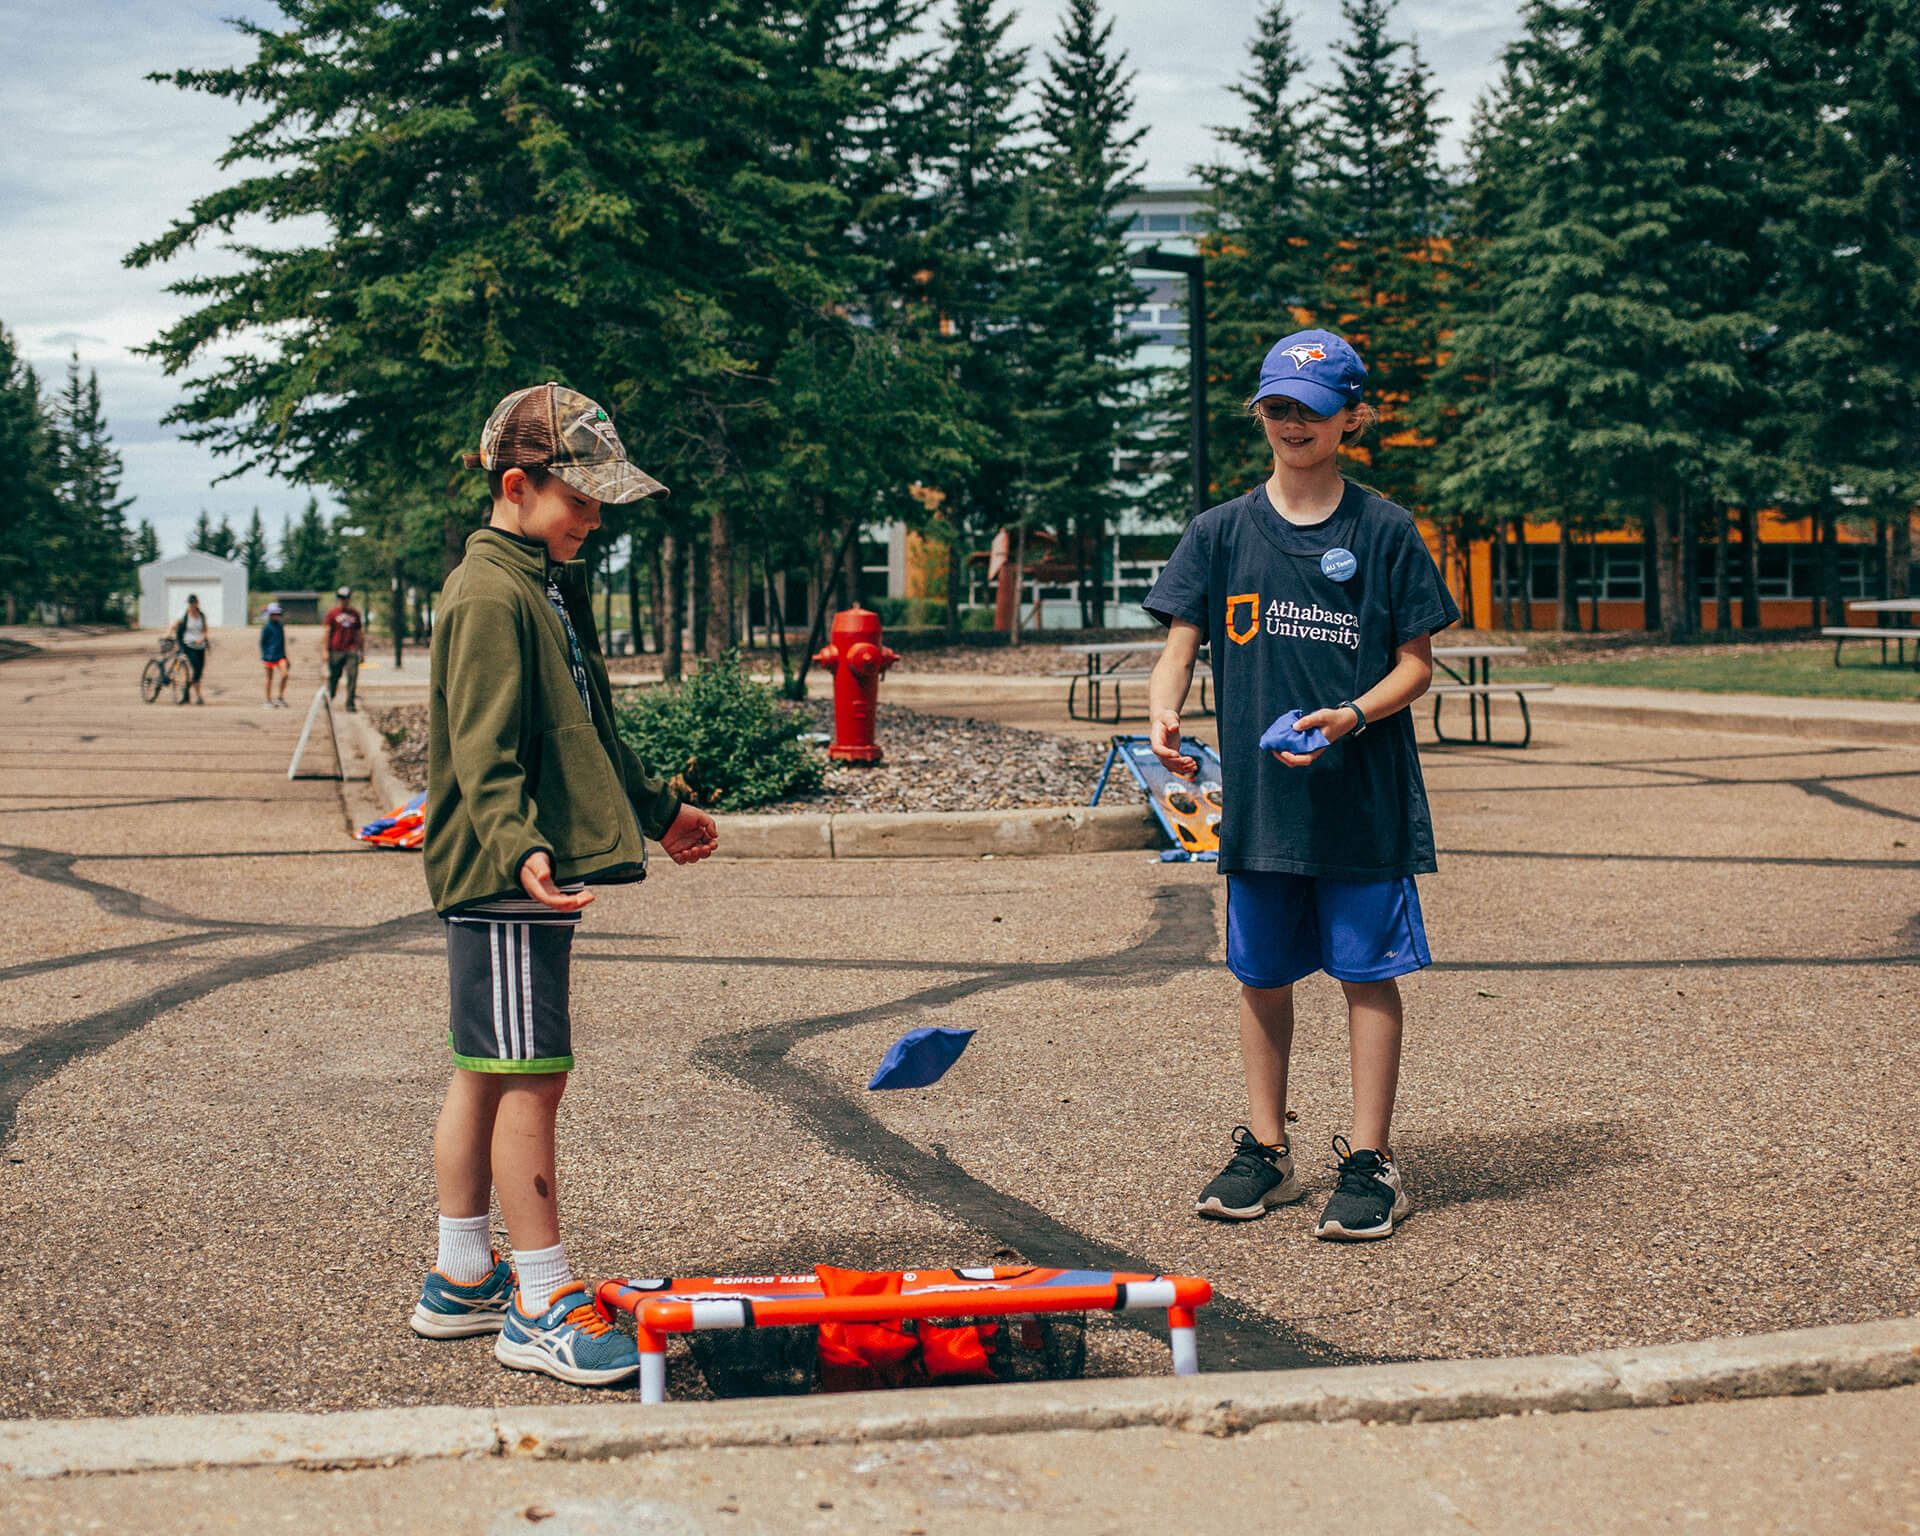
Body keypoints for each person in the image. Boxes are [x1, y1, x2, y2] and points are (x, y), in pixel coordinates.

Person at [412, 382, 720, 1386]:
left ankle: (464, 1279)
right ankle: (539, 1303)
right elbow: (481, 744)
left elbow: (585, 723)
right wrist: (518, 849)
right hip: (508, 872)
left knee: (489, 1069)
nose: (594, 519)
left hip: (514, 866)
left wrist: (658, 809)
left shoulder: (541, 581)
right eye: (580, 499)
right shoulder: (490, 593)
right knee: (530, 1077)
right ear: (516, 484)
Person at [1144, 329, 1459, 1243]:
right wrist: (1164, 712)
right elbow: (1178, 649)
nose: (1292, 423)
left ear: (1352, 418)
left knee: (1367, 976)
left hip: (1359, 798)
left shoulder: (1386, 530)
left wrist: (1351, 716)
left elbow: (1416, 666)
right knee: (1262, 974)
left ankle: (1370, 1162)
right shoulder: (1220, 532)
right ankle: (1268, 1154)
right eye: (1277, 407)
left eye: (1312, 410)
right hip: (1263, 807)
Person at [322, 585, 364, 711]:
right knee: (334, 677)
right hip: (336, 650)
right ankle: (329, 699)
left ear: (350, 599)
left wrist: (361, 651)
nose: (343, 600)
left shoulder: (355, 614)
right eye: (341, 597)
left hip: (351, 650)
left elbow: (359, 633)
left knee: (352, 676)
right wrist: (325, 650)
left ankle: (350, 703)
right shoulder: (332, 613)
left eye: (345, 598)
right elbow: (327, 632)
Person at [171, 594, 209, 705]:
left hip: (200, 647)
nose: (192, 605)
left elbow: (205, 630)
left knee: (199, 672)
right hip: (188, 645)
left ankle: (189, 693)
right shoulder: (184, 615)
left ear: (197, 603)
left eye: (194, 603)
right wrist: (167, 634)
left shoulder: (201, 615)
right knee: (196, 669)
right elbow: (174, 625)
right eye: (191, 603)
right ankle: (196, 695)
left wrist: (202, 638)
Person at [259, 601, 290, 707]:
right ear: (271, 615)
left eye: (278, 614)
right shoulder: (267, 627)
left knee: (285, 674)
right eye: (274, 614)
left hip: (280, 655)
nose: (277, 616)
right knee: (269, 679)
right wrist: (264, 655)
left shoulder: (280, 626)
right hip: (269, 656)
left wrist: (286, 656)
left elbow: (282, 641)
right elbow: (262, 642)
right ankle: (268, 700)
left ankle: (280, 697)